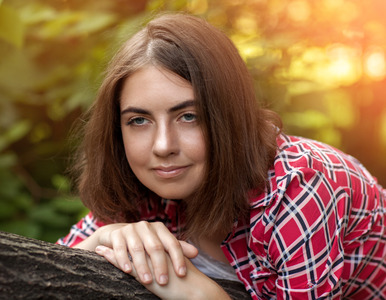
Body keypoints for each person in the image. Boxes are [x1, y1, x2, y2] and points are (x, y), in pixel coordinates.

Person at [57, 13, 386, 299]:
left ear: (229, 115)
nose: (162, 146)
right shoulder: (142, 190)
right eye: (138, 120)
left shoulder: (299, 187)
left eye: (189, 116)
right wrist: (102, 237)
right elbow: (41, 274)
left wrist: (198, 294)